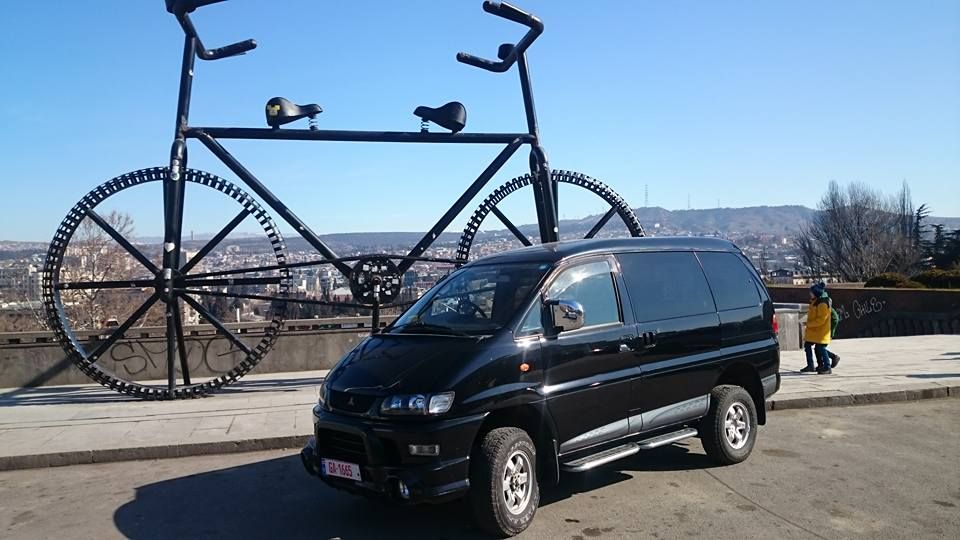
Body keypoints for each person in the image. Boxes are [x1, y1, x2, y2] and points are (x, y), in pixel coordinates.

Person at [801, 282, 833, 374]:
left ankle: (827, 366)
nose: (810, 294)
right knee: (808, 346)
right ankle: (811, 365)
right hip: (814, 331)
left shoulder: (822, 304)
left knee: (821, 348)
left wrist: (809, 324)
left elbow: (821, 320)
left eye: (811, 292)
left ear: (816, 293)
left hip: (821, 331)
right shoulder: (815, 302)